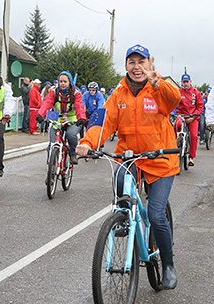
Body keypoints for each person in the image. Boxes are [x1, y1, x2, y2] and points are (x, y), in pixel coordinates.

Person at [76, 44, 181, 290]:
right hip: (131, 156)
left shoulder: (158, 90)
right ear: (126, 66)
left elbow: (174, 99)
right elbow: (102, 122)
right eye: (131, 62)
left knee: (156, 215)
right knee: (120, 177)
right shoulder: (118, 94)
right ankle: (124, 218)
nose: (137, 67)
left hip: (161, 158)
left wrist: (160, 84)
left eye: (141, 62)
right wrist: (87, 142)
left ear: (150, 64)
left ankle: (168, 264)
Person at [36, 71, 86, 165]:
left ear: (69, 82)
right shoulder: (54, 91)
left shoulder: (76, 93)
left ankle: (73, 154)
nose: (62, 84)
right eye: (60, 81)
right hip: (56, 118)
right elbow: (47, 103)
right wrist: (40, 115)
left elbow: (79, 106)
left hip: (72, 119)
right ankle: (51, 166)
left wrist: (81, 118)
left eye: (65, 81)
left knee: (71, 135)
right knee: (52, 143)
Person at [175, 73, 204, 166]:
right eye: (184, 82)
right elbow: (173, 104)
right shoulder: (178, 92)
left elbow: (200, 106)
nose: (185, 83)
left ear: (190, 82)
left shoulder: (196, 93)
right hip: (181, 116)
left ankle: (191, 157)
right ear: (181, 83)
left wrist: (193, 117)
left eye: (187, 82)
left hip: (193, 117)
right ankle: (174, 153)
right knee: (174, 130)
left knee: (194, 136)